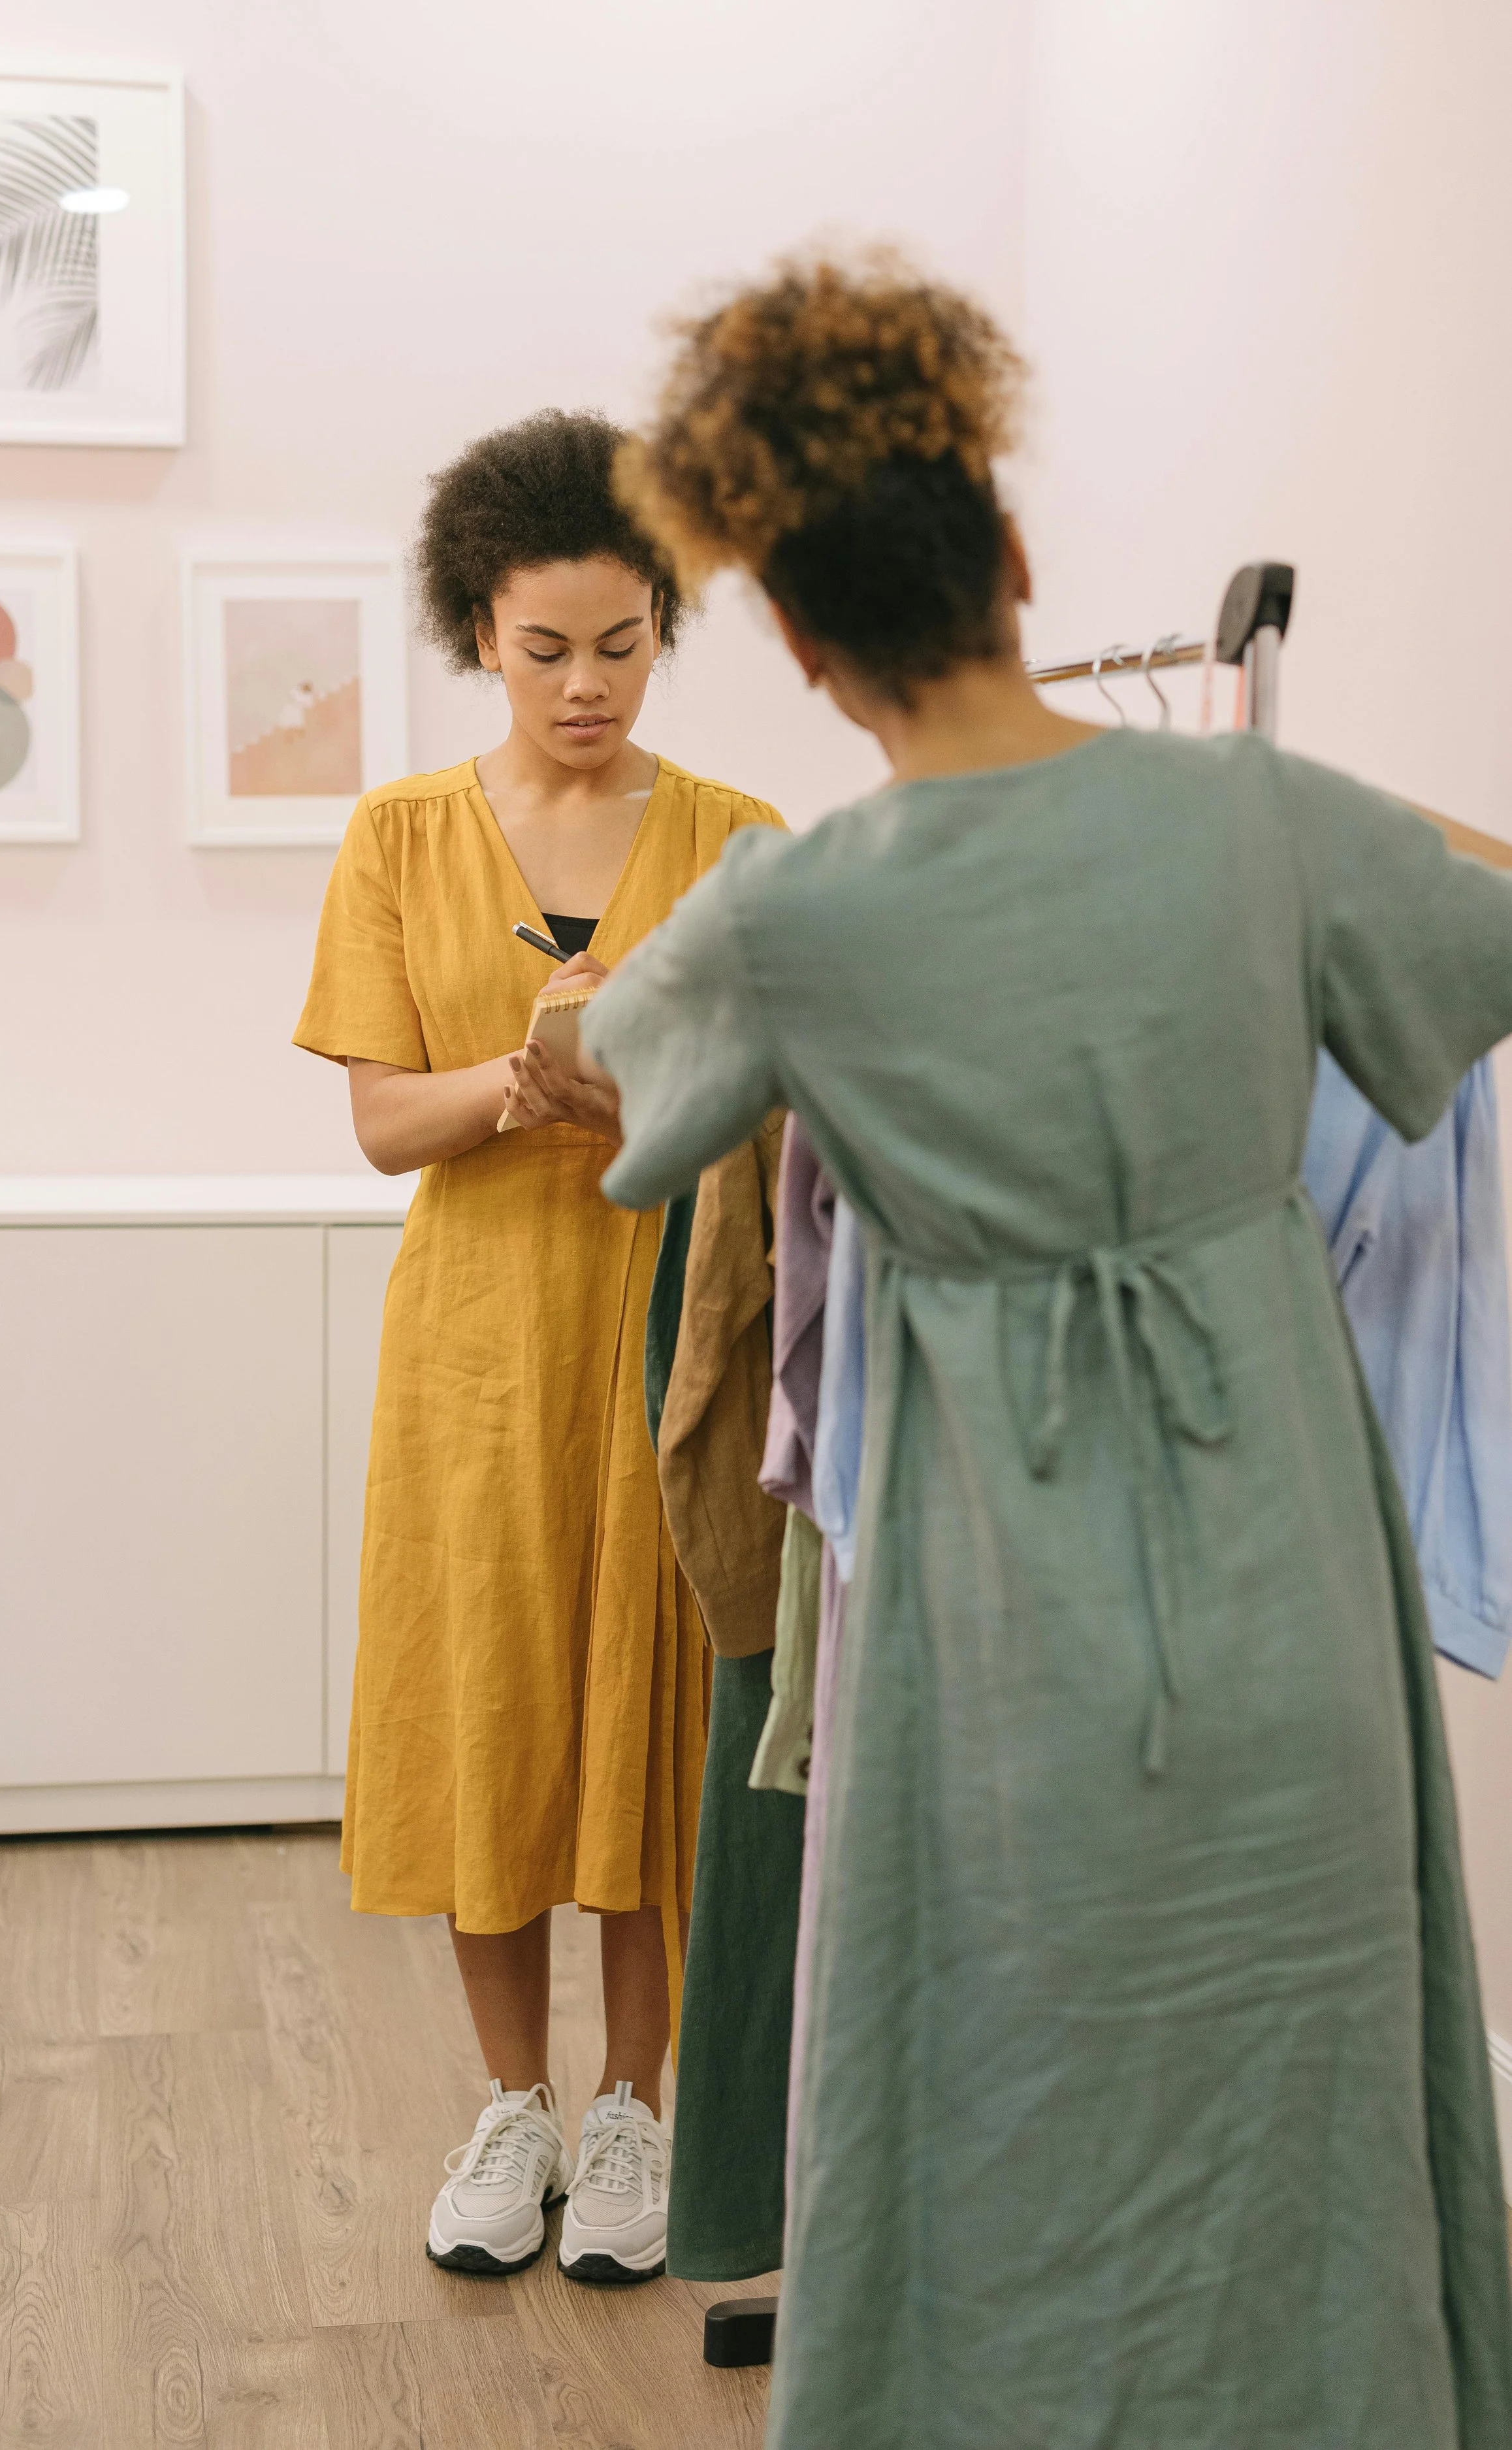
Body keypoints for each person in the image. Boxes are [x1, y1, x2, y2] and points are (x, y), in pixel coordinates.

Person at [578, 258, 1512, 2445]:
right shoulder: (1258, 821)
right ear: (1012, 558)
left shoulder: (790, 910)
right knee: (1297, 2083)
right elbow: (1475, 945)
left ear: (798, 651)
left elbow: (623, 1096)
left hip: (991, 1630)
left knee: (991, 2097)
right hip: (1280, 1569)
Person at [293, 408, 783, 2286]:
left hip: (682, 1337)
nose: (582, 684)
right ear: (474, 633)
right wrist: (520, 1077)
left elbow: (782, 1089)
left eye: (618, 644)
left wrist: (659, 1091)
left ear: (663, 624)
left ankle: (632, 2108)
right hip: (481, 1349)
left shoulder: (740, 844)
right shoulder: (398, 836)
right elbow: (379, 1123)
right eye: (541, 647)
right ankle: (510, 2109)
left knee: (658, 1731)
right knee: (485, 1710)